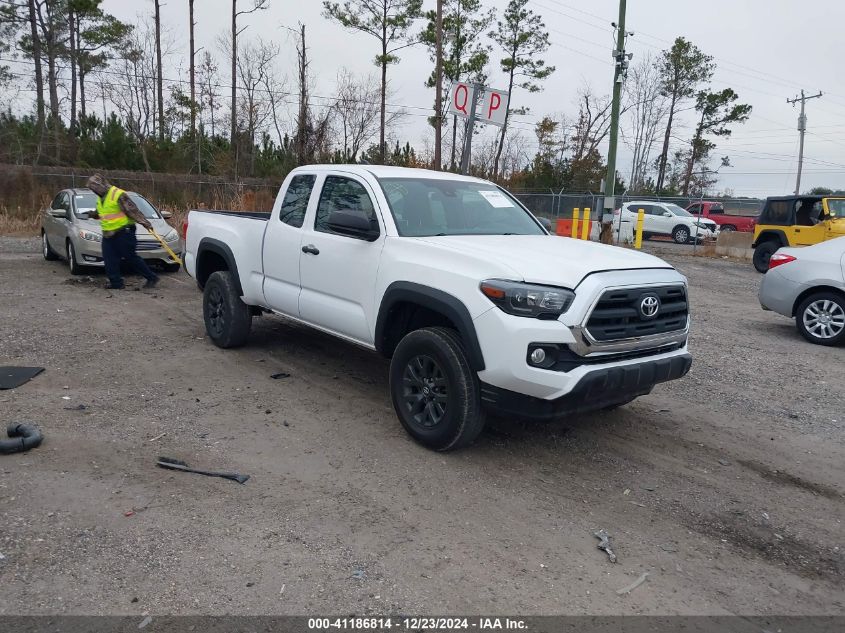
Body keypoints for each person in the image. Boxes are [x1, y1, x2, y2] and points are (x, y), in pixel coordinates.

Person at [86, 174, 159, 290]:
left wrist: (146, 223)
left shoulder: (118, 194)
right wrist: (92, 214)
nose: (93, 191)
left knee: (130, 257)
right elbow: (103, 213)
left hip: (124, 232)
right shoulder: (100, 198)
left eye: (94, 188)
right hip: (108, 233)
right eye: (91, 189)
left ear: (101, 185)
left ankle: (151, 277)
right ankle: (116, 283)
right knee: (109, 259)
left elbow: (133, 211)